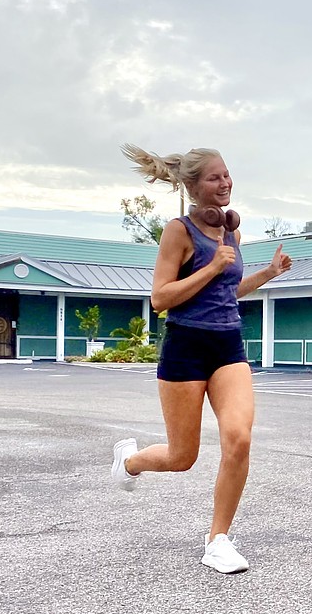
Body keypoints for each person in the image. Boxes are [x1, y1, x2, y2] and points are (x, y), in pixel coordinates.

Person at [111, 144, 292, 574]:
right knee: (182, 456)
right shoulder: (178, 231)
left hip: (228, 347)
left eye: (227, 174)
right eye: (215, 177)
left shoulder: (232, 233)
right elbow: (160, 298)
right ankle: (130, 461)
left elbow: (229, 292)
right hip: (186, 347)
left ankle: (218, 540)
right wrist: (210, 268)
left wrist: (268, 274)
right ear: (194, 186)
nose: (225, 182)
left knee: (239, 437)